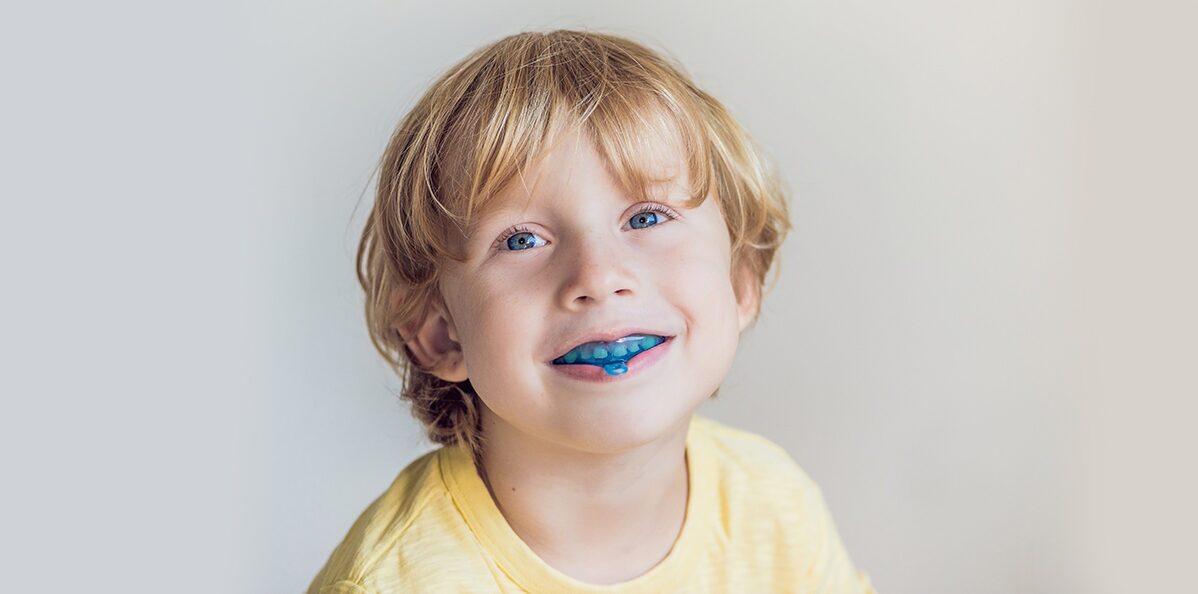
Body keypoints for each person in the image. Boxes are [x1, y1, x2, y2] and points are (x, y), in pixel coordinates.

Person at [308, 28, 877, 593]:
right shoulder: (393, 583)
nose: (599, 278)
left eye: (647, 218)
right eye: (522, 240)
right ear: (439, 334)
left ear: (740, 280)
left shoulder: (777, 510)